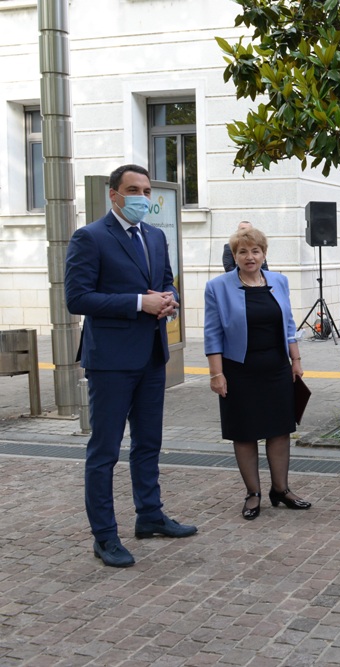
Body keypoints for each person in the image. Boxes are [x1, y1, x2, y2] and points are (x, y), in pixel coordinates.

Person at [65, 164, 197, 568]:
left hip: (151, 356)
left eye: (145, 189)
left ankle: (150, 515)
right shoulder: (90, 237)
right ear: (114, 195)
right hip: (110, 362)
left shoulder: (155, 236)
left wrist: (169, 298)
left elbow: (167, 280)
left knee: (148, 443)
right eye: (133, 189)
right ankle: (104, 537)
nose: (142, 196)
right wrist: (141, 302)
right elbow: (78, 299)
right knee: (104, 451)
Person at [205, 225, 310, 520]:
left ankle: (281, 489)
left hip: (276, 367)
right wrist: (216, 374)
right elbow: (213, 334)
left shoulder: (279, 281)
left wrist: (296, 361)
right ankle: (253, 494)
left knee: (280, 429)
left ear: (264, 254)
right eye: (243, 252)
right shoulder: (218, 287)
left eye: (255, 251)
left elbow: (289, 325)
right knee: (245, 432)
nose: (250, 257)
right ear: (234, 255)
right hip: (239, 370)